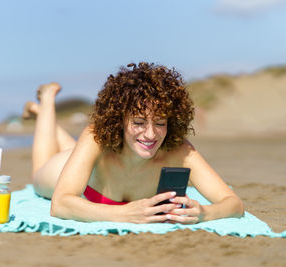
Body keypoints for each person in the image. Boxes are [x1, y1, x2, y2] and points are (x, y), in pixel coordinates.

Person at [22, 62, 244, 224]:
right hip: (69, 173)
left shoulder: (180, 151)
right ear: (119, 120)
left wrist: (205, 213)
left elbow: (234, 203)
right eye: (138, 122)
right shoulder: (95, 136)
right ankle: (46, 102)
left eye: (160, 123)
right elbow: (60, 204)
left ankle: (42, 113)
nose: (150, 135)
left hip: (95, 160)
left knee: (78, 151)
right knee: (39, 171)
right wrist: (124, 214)